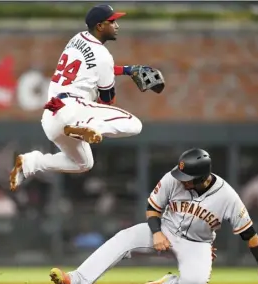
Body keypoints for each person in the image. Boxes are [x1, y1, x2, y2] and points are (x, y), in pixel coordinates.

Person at [49, 148, 258, 284]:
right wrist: (157, 233)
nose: (182, 181)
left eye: (188, 178)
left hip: (197, 244)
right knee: (123, 238)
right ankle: (74, 281)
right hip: (165, 228)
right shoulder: (173, 178)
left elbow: (249, 234)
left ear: (203, 178)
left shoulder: (227, 197)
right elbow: (153, 207)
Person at [10, 4, 164, 191]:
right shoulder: (103, 55)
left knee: (83, 164)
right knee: (135, 124)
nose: (117, 26)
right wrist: (97, 119)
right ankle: (87, 127)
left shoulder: (76, 39)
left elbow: (93, 68)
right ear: (100, 26)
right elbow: (107, 99)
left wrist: (127, 70)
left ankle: (30, 163)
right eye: (112, 21)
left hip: (51, 117)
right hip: (74, 109)